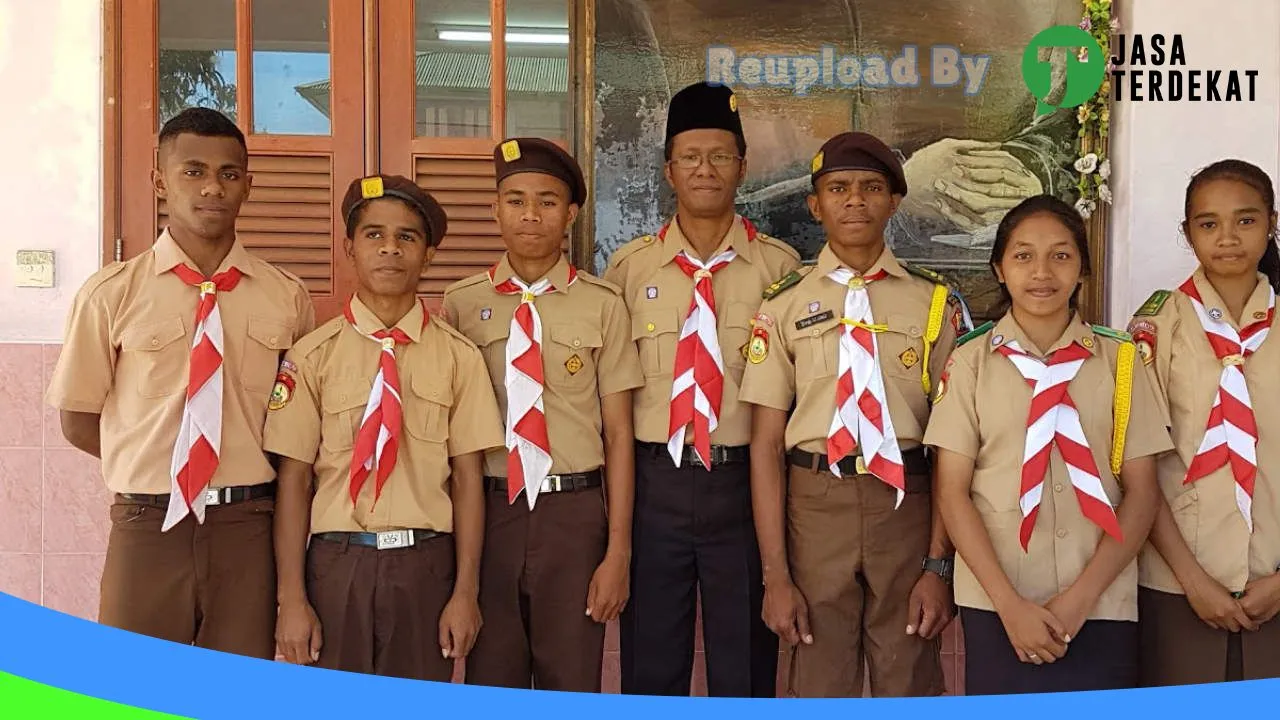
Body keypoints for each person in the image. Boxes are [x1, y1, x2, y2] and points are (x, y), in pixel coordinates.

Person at [46, 107, 316, 658]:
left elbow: (294, 427)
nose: (212, 187)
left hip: (248, 526)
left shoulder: (285, 297)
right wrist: (154, 464)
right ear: (160, 181)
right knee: (131, 689)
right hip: (147, 524)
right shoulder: (112, 294)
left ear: (247, 186)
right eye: (193, 171)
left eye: (229, 174)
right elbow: (77, 418)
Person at [739, 131, 968, 698]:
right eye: (838, 189)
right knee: (817, 676)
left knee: (908, 672)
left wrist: (939, 568)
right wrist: (775, 577)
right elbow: (766, 445)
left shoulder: (934, 302)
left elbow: (951, 446)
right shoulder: (783, 303)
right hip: (815, 506)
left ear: (894, 201)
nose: (855, 201)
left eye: (872, 188)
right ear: (815, 205)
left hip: (907, 506)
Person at [925, 194, 1174, 695]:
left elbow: (1142, 492)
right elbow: (952, 493)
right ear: (999, 268)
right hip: (998, 601)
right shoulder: (970, 362)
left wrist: (1080, 599)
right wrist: (1010, 606)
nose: (1042, 272)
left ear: (1082, 269)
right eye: (1023, 255)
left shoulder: (1120, 361)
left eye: (1061, 255)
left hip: (1102, 599)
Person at [602, 81, 800, 697]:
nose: (705, 170)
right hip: (654, 482)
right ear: (668, 170)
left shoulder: (780, 269)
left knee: (745, 665)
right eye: (690, 157)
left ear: (742, 167)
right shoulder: (630, 271)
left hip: (746, 487)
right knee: (650, 661)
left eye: (719, 156)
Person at [266, 174, 504, 681]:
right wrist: (291, 599)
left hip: (425, 567)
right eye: (373, 235)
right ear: (349, 248)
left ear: (429, 254)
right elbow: (294, 480)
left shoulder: (458, 356)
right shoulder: (312, 356)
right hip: (336, 564)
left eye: (407, 237)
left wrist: (465, 592)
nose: (390, 249)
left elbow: (468, 481)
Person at [442, 138, 644, 691]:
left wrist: (617, 551)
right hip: (489, 511)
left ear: (571, 213)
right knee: (493, 675)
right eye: (515, 199)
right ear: (495, 208)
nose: (531, 214)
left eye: (548, 201)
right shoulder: (460, 304)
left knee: (573, 677)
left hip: (573, 515)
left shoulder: (603, 304)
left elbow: (620, 433)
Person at [1126, 159, 1280, 686]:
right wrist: (1192, 581)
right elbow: (1139, 468)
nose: (1228, 238)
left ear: (1272, 223)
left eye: (1246, 220)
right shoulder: (1153, 329)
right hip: (1178, 580)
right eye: (1208, 224)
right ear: (1187, 232)